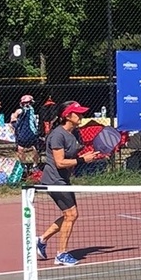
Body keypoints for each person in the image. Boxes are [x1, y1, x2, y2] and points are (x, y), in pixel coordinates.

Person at [34, 101, 103, 266]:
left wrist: (90, 156)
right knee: (71, 215)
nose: (81, 115)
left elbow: (74, 154)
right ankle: (61, 254)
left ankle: (41, 240)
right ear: (67, 115)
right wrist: (82, 160)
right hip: (53, 180)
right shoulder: (58, 135)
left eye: (81, 113)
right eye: (77, 113)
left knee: (70, 215)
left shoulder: (74, 134)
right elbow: (60, 162)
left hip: (63, 180)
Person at [10, 94, 40, 167]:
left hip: (32, 133)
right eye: (25, 103)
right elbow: (13, 118)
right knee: (20, 149)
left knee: (35, 149)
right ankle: (23, 165)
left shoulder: (32, 111)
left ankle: (35, 164)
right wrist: (14, 125)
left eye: (29, 102)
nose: (27, 104)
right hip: (22, 133)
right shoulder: (20, 110)